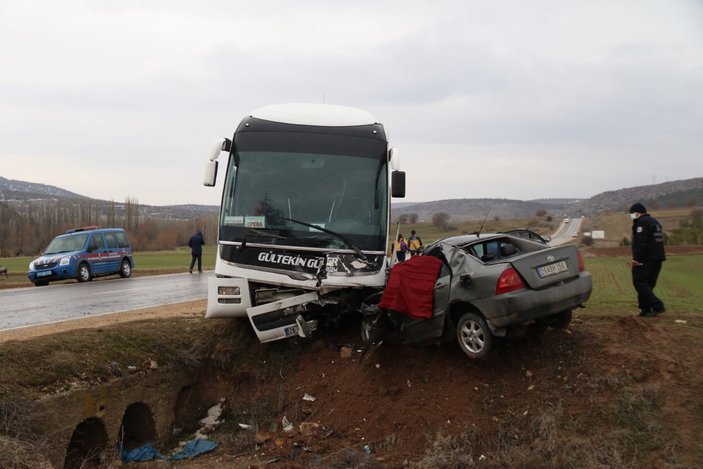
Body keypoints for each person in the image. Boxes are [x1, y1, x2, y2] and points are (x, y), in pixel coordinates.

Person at [629, 203, 666, 317]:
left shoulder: (641, 223)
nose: (631, 216)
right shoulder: (655, 222)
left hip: (646, 258)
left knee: (639, 282)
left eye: (632, 213)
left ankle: (657, 305)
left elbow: (641, 242)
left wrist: (636, 259)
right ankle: (646, 309)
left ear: (638, 212)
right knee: (648, 284)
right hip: (657, 258)